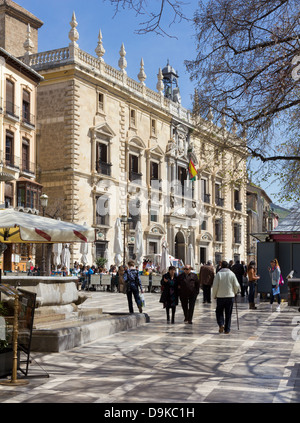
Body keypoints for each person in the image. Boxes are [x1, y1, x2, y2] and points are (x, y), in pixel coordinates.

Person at [212, 261, 240, 334]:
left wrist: (214, 295)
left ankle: (221, 324)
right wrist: (235, 292)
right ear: (228, 266)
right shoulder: (232, 274)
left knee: (219, 311)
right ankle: (227, 329)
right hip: (230, 296)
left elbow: (215, 286)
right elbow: (236, 285)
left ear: (221, 266)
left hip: (220, 296)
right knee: (228, 313)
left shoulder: (218, 274)